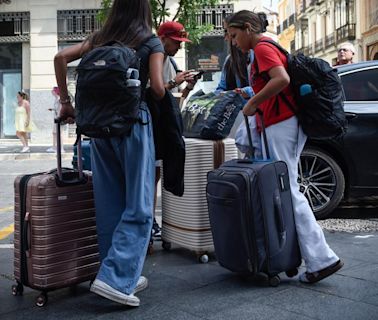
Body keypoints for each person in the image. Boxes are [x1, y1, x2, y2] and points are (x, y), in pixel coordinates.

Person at [54, 0, 165, 306]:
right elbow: (157, 88)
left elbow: (60, 57)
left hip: (99, 129)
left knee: (109, 203)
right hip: (133, 125)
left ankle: (114, 271)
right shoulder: (149, 40)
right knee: (140, 203)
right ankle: (115, 279)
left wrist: (66, 101)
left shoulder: (99, 38)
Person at [227, 10, 343, 284]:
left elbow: (281, 80)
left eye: (234, 35)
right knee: (285, 188)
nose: (233, 42)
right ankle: (303, 256)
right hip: (282, 123)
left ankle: (322, 258)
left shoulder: (263, 47)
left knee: (288, 190)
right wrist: (251, 95)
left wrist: (254, 103)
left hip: (281, 123)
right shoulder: (265, 47)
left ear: (246, 28)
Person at [152, 21, 198, 239]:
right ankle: (149, 222)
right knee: (151, 175)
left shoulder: (168, 59)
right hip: (152, 124)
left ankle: (151, 221)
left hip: (165, 124)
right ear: (163, 39)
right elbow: (154, 92)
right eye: (176, 41)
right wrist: (172, 82)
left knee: (157, 174)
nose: (179, 46)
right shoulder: (153, 56)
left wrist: (188, 86)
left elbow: (174, 100)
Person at [46, 86, 66, 153]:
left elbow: (61, 109)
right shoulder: (56, 99)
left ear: (55, 91)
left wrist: (59, 117)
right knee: (54, 133)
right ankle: (54, 147)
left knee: (60, 133)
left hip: (59, 118)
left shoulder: (59, 99)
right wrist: (52, 109)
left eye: (53, 90)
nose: (52, 91)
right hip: (56, 118)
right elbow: (57, 108)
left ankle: (61, 148)